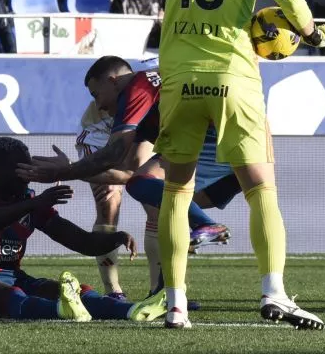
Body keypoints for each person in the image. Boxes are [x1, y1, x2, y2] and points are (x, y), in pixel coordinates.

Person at [120, 0, 325, 329]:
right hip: (234, 79)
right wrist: (313, 34)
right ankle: (274, 293)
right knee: (261, 190)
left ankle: (177, 302)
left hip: (179, 83)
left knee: (176, 194)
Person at [18, 55, 238, 298]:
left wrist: (66, 170)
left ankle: (171, 278)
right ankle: (135, 292)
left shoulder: (138, 88)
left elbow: (125, 162)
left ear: (113, 81)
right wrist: (75, 171)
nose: (97, 104)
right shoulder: (140, 98)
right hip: (110, 134)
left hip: (194, 136)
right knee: (129, 203)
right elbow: (128, 163)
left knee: (151, 194)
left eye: (95, 94)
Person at [0, 136, 167, 321]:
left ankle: (133, 310)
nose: (27, 174)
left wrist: (115, 238)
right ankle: (61, 311)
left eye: (28, 167)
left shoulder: (28, 200)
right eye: (19, 168)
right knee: (11, 295)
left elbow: (79, 240)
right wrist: (32, 204)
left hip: (15, 278)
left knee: (75, 291)